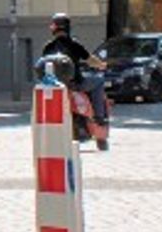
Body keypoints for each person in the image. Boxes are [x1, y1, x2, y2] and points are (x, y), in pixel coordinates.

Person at [41, 13, 110, 150]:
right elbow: (90, 59)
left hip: (56, 86)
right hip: (76, 84)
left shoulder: (48, 47)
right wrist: (102, 65)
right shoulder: (74, 44)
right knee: (99, 81)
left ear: (54, 28)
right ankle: (99, 116)